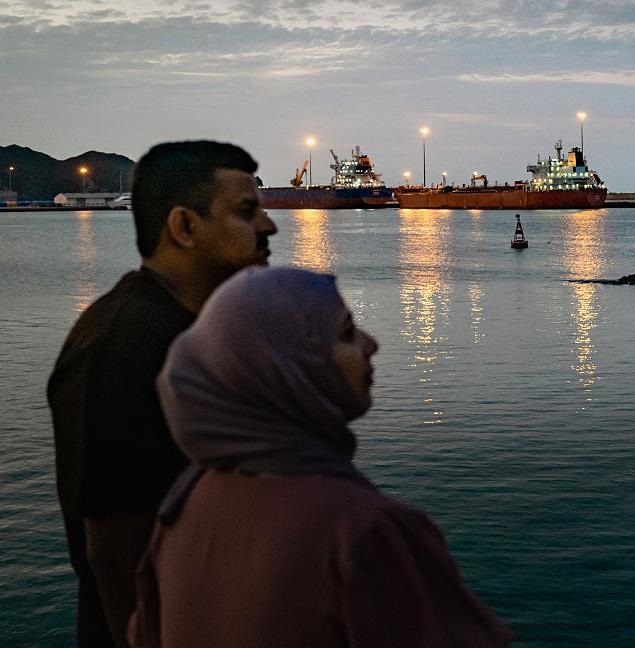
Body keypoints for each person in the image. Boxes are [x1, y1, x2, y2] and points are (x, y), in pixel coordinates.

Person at [130, 267, 512, 647]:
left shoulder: (184, 507)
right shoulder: (364, 531)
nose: (371, 344)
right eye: (346, 334)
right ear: (287, 368)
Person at [47, 141, 278, 647]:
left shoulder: (181, 329)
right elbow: (116, 553)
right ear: (184, 226)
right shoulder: (126, 346)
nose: (269, 226)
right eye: (246, 211)